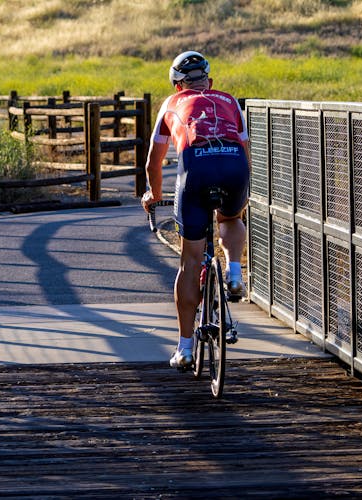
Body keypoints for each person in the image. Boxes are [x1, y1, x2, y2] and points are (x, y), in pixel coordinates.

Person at [141, 50, 250, 370]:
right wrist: (242, 189)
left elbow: (153, 161)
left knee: (190, 262)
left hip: (195, 171)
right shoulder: (230, 101)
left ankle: (185, 349)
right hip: (235, 167)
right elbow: (245, 149)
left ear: (177, 86)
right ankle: (233, 273)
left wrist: (154, 194)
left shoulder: (171, 104)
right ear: (210, 81)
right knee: (230, 217)